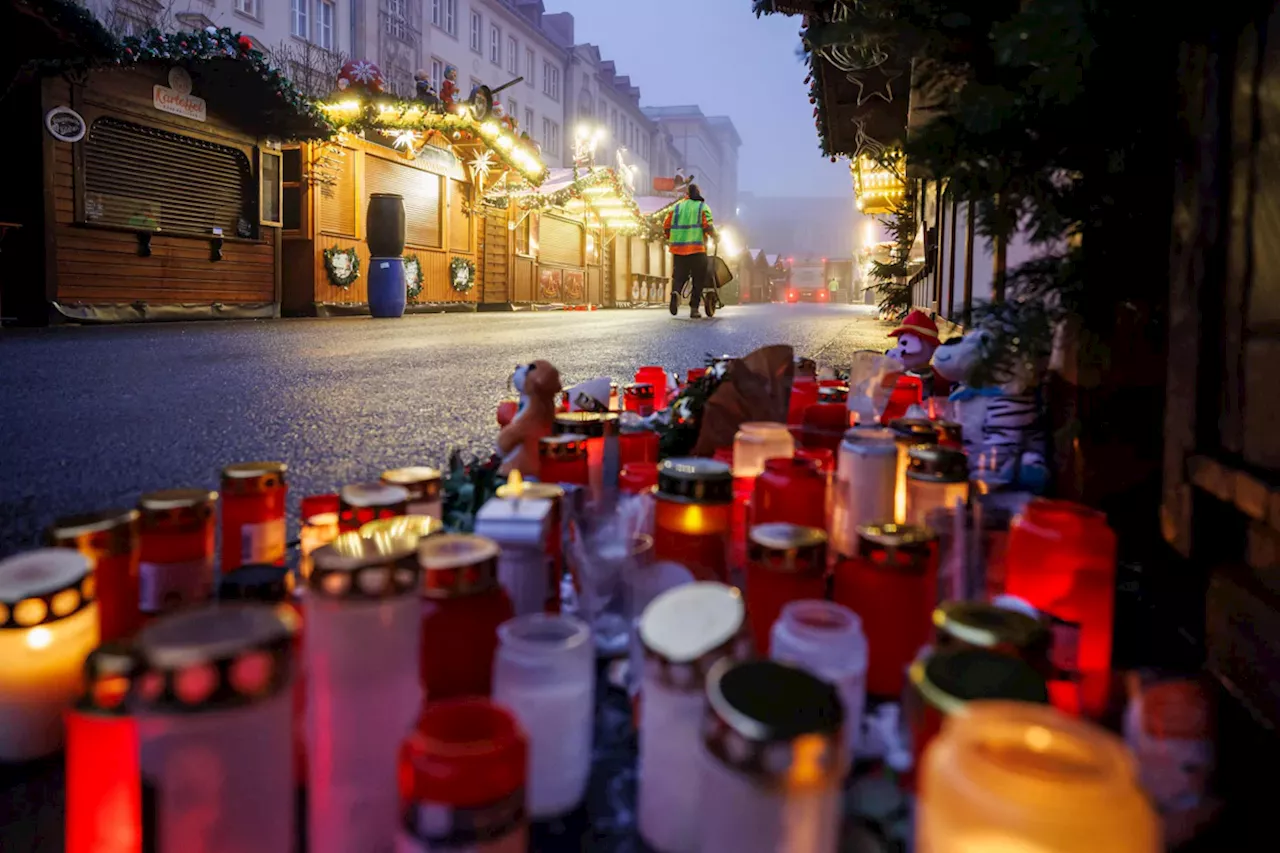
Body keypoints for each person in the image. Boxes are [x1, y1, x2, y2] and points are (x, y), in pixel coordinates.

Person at [663, 184, 718, 318]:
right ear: (698, 193)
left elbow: (666, 226)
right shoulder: (702, 207)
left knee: (679, 275)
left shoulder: (676, 207)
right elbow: (708, 226)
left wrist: (675, 239)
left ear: (686, 194)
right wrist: (716, 236)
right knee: (699, 279)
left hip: (678, 250)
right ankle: (694, 308)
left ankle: (676, 293)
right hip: (697, 249)